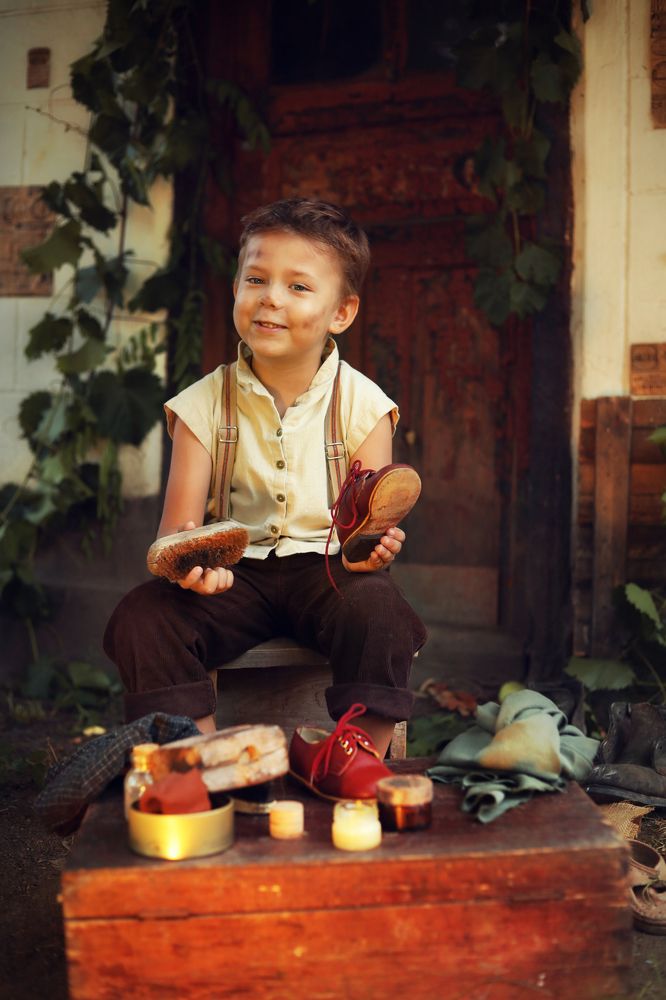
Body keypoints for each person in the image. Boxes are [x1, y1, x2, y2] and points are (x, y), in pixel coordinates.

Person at [104, 198, 427, 800]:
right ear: (235, 290)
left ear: (342, 312)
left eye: (298, 286)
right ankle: (196, 762)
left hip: (326, 572)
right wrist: (192, 571)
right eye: (256, 279)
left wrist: (374, 549)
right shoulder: (203, 404)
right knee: (144, 616)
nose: (270, 297)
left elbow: (368, 520)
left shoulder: (364, 405)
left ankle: (354, 755)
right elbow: (177, 534)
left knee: (381, 608)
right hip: (234, 577)